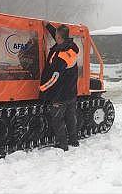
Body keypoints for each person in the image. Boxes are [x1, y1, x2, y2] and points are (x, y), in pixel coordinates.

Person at [40, 22, 79, 151]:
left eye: (56, 35)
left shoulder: (61, 58)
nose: (55, 37)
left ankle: (63, 145)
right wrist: (48, 26)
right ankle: (74, 140)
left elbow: (54, 78)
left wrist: (42, 89)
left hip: (60, 94)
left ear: (59, 38)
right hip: (72, 92)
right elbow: (57, 36)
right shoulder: (71, 47)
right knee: (70, 117)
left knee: (57, 120)